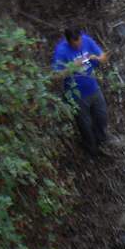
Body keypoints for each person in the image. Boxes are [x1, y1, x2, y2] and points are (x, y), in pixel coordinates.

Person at [51, 27, 109, 156]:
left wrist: (97, 58)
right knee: (85, 125)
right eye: (74, 42)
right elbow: (55, 76)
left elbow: (104, 56)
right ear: (68, 41)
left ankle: (102, 142)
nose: (78, 44)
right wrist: (72, 67)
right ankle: (91, 149)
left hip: (93, 87)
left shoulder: (87, 41)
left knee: (102, 115)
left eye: (79, 40)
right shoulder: (61, 51)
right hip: (77, 95)